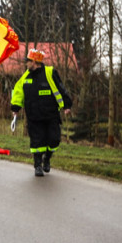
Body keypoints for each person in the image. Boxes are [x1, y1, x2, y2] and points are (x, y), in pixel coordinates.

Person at [11, 48, 73, 176]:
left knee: (54, 139)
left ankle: (47, 159)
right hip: (33, 116)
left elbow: (61, 88)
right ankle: (37, 165)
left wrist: (66, 105)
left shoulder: (50, 72)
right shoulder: (25, 76)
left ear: (34, 62)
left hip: (51, 115)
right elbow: (18, 92)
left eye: (28, 61)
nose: (26, 64)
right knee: (37, 142)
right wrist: (15, 109)